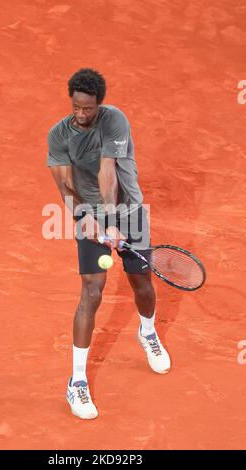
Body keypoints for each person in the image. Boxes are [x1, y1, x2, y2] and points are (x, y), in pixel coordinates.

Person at [47, 68, 170, 420]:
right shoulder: (58, 135)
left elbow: (107, 171)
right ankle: (78, 382)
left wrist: (114, 224)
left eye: (88, 109)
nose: (81, 115)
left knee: (142, 284)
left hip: (129, 210)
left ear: (99, 104)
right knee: (92, 291)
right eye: (76, 108)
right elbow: (64, 186)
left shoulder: (114, 121)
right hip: (89, 212)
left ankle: (147, 333)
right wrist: (81, 216)